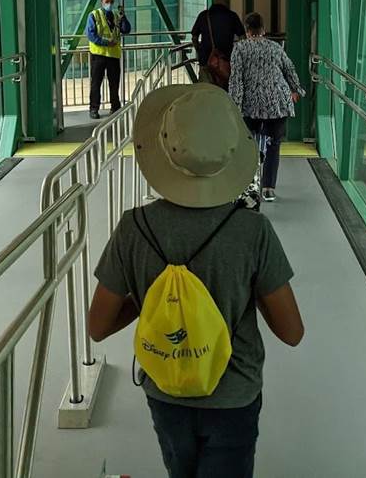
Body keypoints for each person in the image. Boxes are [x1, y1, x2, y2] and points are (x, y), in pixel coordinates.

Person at [88, 84, 304, 478]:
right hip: (233, 394)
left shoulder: (133, 229)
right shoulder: (252, 232)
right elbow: (292, 331)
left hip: (165, 387)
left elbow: (97, 326)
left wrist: (154, 294)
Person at [229, 12, 305, 203]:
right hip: (277, 103)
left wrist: (235, 106)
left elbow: (236, 80)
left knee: (247, 143)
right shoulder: (275, 47)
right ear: (263, 30)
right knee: (274, 144)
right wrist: (296, 90)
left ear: (247, 30)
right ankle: (269, 189)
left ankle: (249, 185)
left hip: (251, 104)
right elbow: (290, 69)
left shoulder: (240, 49)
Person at [86, 0, 132, 119]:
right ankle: (94, 109)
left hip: (113, 56)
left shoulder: (117, 16)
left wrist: (124, 17)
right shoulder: (94, 15)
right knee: (96, 83)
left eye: (111, 1)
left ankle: (115, 107)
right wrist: (106, 43)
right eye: (107, 1)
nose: (110, 4)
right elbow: (91, 34)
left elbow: (126, 30)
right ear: (102, 2)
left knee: (114, 83)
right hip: (98, 55)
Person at [190, 0, 245, 87]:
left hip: (206, 61)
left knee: (206, 91)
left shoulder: (203, 16)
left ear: (214, 0)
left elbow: (194, 37)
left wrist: (199, 50)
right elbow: (242, 38)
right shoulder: (232, 16)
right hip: (226, 62)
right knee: (225, 93)